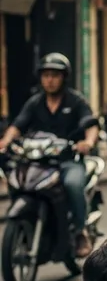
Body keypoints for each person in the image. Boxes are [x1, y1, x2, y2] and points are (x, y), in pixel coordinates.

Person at [0, 53, 98, 257]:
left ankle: (81, 231)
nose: (50, 80)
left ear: (64, 77)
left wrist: (87, 142)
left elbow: (91, 125)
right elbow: (17, 126)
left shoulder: (75, 101)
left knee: (72, 184)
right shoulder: (35, 102)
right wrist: (5, 141)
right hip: (39, 162)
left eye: (55, 75)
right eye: (46, 75)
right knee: (18, 180)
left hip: (67, 161)